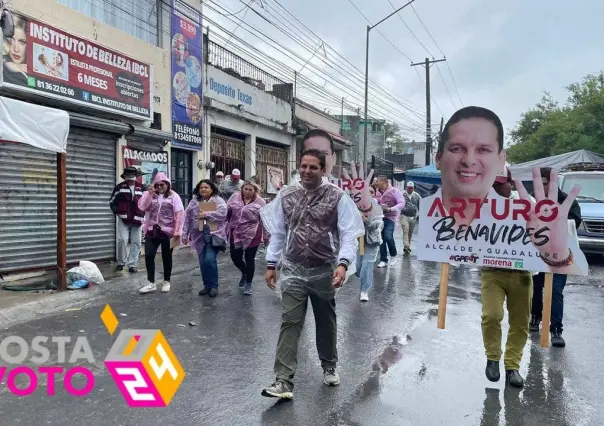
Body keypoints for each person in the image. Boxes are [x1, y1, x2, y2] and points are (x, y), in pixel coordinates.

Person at [260, 148, 364, 400]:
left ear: (323, 170)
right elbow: (279, 233)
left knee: (325, 320)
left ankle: (329, 364)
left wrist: (343, 263)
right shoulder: (286, 196)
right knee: (290, 322)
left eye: (313, 167)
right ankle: (283, 381)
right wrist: (272, 263)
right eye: (303, 166)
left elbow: (349, 233)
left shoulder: (337, 197)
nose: (307, 171)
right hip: (294, 268)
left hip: (325, 269)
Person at [481, 168, 534, 388]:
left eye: (498, 183)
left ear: (510, 184)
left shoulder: (526, 202)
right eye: (491, 184)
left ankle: (512, 366)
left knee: (520, 322)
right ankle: (493, 357)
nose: (494, 188)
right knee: (491, 315)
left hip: (522, 273)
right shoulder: (480, 203)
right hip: (492, 271)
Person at [530, 167, 582, 348]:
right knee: (535, 288)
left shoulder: (567, 200)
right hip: (535, 254)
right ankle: (535, 318)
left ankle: (556, 330)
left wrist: (558, 218)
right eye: (541, 183)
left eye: (546, 183)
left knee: (556, 291)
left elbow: (575, 222)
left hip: (559, 255)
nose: (543, 187)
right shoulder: (531, 199)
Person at [137, 173, 184, 294]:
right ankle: (151, 282)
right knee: (149, 255)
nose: (159, 187)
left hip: (168, 232)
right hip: (152, 230)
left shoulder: (174, 196)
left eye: (162, 184)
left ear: (167, 184)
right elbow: (143, 207)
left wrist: (177, 231)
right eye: (157, 185)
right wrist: (149, 194)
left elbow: (179, 214)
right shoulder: (151, 195)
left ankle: (166, 281)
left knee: (166, 257)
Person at [182, 179, 228, 298]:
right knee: (202, 262)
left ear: (212, 189)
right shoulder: (194, 202)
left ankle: (214, 286)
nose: (203, 189)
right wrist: (184, 233)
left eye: (206, 187)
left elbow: (223, 214)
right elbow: (187, 218)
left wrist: (206, 214)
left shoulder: (218, 200)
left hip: (214, 235)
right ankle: (207, 285)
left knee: (209, 260)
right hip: (199, 236)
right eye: (201, 187)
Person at [227, 180, 266, 295]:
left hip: (253, 234)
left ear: (255, 191)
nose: (248, 192)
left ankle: (248, 283)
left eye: (250, 190)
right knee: (235, 257)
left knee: (250, 259)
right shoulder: (234, 197)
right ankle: (244, 272)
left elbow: (264, 219)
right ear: (242, 189)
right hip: (236, 233)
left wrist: (266, 236)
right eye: (246, 189)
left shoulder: (261, 202)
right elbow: (226, 211)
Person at [109, 166, 146, 273]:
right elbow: (112, 202)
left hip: (138, 219)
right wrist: (118, 212)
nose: (130, 178)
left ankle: (132, 264)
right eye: (128, 176)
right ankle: (121, 262)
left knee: (136, 242)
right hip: (124, 219)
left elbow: (147, 203)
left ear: (135, 177)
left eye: (132, 176)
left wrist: (143, 213)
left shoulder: (142, 187)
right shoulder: (119, 187)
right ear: (125, 177)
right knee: (122, 240)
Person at [355, 195, 383, 301]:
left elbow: (377, 225)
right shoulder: (356, 207)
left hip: (372, 242)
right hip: (359, 242)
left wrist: (365, 220)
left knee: (366, 266)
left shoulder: (377, 210)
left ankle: (364, 291)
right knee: (358, 268)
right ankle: (363, 277)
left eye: (371, 192)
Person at [374, 176, 404, 267]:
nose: (376, 183)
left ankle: (393, 254)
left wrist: (391, 209)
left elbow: (402, 203)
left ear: (384, 182)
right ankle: (383, 260)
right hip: (379, 217)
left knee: (388, 236)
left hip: (391, 218)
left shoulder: (395, 191)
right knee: (381, 238)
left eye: (378, 181)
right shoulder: (376, 191)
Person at [400, 181, 421, 254]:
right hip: (404, 216)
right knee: (405, 230)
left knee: (410, 232)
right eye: (409, 188)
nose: (410, 189)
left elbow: (420, 205)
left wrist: (419, 214)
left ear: (413, 188)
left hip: (413, 216)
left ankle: (407, 246)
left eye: (411, 188)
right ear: (406, 187)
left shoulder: (417, 195)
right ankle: (406, 245)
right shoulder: (402, 194)